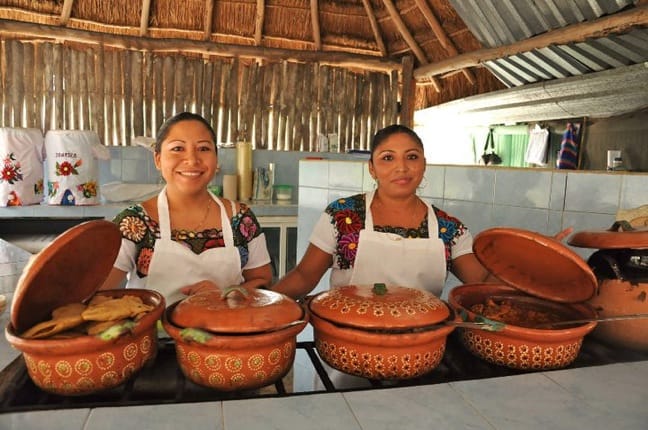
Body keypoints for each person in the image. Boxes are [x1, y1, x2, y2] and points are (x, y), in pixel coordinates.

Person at [272, 124, 571, 300]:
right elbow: (303, 277)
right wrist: (265, 302)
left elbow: (484, 283)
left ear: (424, 164)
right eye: (388, 158)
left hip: (420, 348)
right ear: (372, 168)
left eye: (411, 157)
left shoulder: (447, 228)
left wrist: (538, 259)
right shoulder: (342, 216)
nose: (401, 167)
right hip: (348, 345)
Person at [100, 112, 273, 304]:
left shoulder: (241, 219)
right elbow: (99, 293)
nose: (191, 159)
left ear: (216, 159)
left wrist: (228, 295)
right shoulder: (133, 223)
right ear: (158, 159)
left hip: (226, 331)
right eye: (177, 148)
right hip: (152, 334)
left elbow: (263, 281)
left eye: (203, 148)